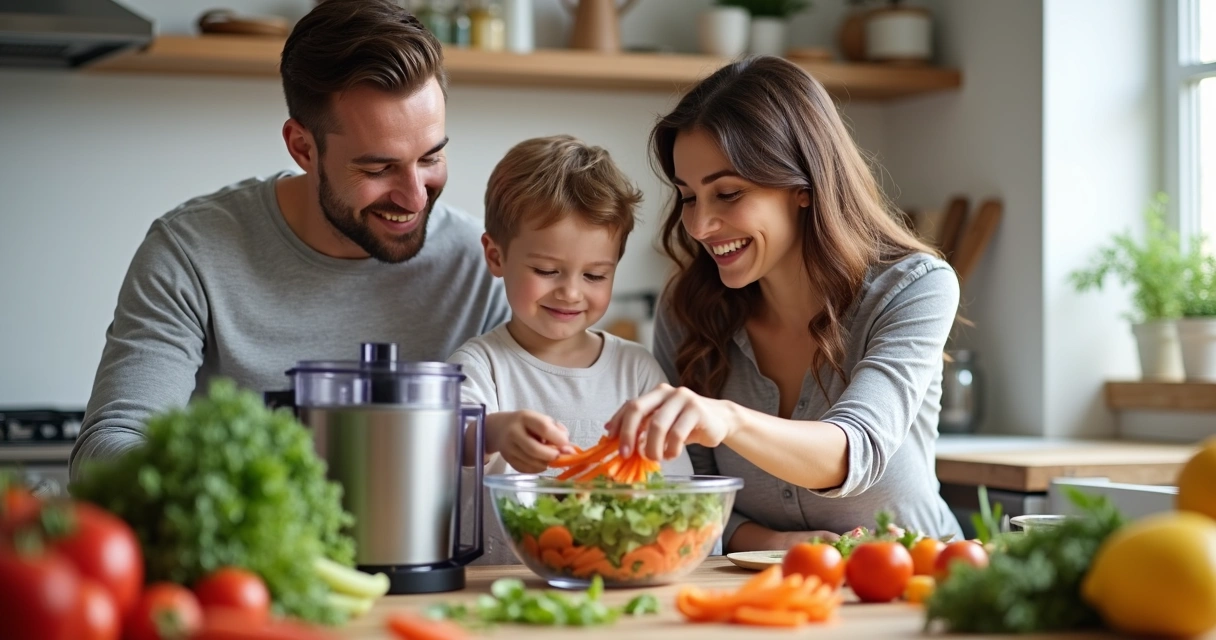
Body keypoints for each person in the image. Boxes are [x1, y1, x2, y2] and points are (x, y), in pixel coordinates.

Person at [70, 0, 509, 479]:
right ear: (302, 146)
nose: (414, 198)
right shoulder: (191, 251)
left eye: (430, 159)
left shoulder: (482, 264)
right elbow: (106, 448)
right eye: (378, 168)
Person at [605, 56, 965, 552]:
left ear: (802, 186)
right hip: (754, 590)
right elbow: (692, 499)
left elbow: (855, 451)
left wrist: (727, 419)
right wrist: (781, 542)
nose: (700, 225)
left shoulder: (913, 287)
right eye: (689, 197)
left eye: (728, 193)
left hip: (914, 585)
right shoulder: (686, 307)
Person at [448, 135, 693, 564]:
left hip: (615, 581)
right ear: (496, 255)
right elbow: (437, 449)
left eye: (596, 276)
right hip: (499, 591)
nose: (571, 292)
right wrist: (494, 432)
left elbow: (675, 493)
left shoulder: (635, 369)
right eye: (546, 270)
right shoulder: (479, 366)